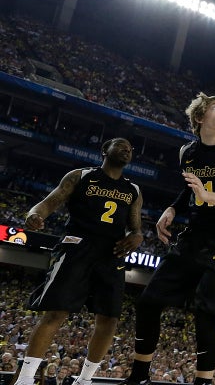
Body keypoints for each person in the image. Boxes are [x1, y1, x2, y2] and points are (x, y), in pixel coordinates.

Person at [121, 94, 215, 385]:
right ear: (199, 118)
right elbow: (190, 190)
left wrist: (208, 196)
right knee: (148, 301)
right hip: (193, 236)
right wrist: (173, 207)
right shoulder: (187, 151)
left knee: (206, 311)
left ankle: (203, 381)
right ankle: (138, 377)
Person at [13, 138, 143, 385]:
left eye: (130, 148)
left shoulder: (133, 190)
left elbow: (135, 228)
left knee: (109, 319)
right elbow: (49, 202)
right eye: (121, 145)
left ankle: (84, 380)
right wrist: (34, 215)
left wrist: (136, 238)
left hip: (111, 254)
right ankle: (26, 378)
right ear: (105, 150)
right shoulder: (80, 176)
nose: (127, 149)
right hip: (77, 247)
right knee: (56, 313)